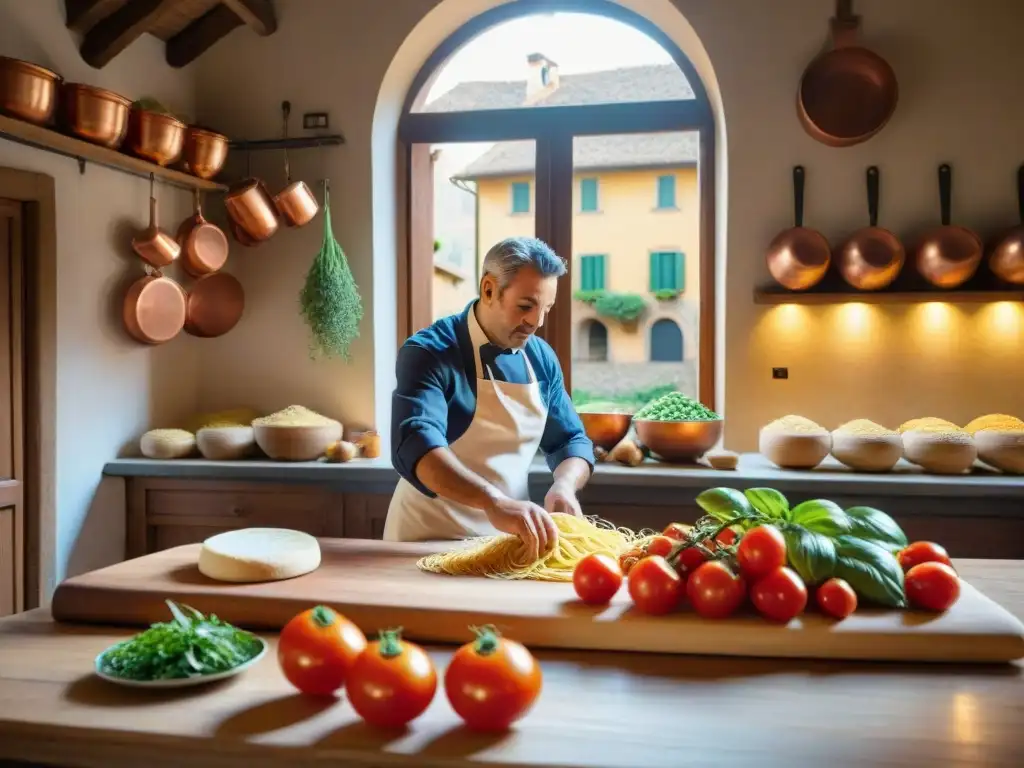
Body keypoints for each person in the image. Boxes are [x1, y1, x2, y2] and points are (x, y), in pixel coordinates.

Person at [385, 236, 595, 561]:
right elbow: (416, 445)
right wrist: (491, 501)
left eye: (546, 309)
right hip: (425, 539)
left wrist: (565, 485)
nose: (536, 323)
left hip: (505, 542)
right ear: (488, 289)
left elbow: (570, 439)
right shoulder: (429, 351)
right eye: (526, 306)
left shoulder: (541, 358)